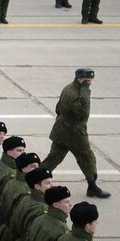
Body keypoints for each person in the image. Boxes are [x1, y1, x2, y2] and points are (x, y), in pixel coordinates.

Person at [44, 68, 108, 198]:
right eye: (86, 80)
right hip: (75, 133)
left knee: (54, 158)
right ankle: (92, 186)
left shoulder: (68, 88)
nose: (89, 83)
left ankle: (35, 179)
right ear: (79, 78)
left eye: (90, 81)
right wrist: (85, 90)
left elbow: (58, 108)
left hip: (62, 130)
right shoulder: (75, 92)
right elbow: (84, 112)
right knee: (87, 158)